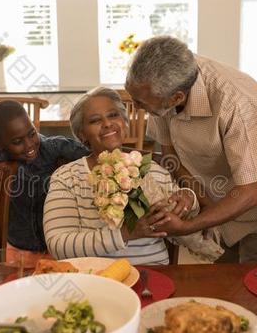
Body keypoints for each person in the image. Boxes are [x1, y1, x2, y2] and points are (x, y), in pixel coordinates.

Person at [125, 36, 257, 263]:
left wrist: (188, 226)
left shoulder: (237, 103)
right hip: (218, 203)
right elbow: (172, 156)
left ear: (177, 97)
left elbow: (250, 192)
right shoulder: (160, 87)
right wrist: (204, 205)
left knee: (254, 288)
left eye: (141, 104)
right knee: (223, 284)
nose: (137, 109)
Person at [43, 87, 223, 265]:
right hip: (96, 276)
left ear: (125, 122)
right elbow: (58, 245)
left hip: (153, 273)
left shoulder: (152, 170)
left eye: (113, 115)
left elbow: (182, 218)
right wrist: (126, 233)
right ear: (82, 134)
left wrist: (188, 197)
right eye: (95, 120)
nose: (107, 124)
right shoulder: (67, 177)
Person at [0, 100, 89, 267]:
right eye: (17, 142)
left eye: (32, 134)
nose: (29, 145)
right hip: (17, 249)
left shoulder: (51, 147)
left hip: (53, 248)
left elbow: (91, 154)